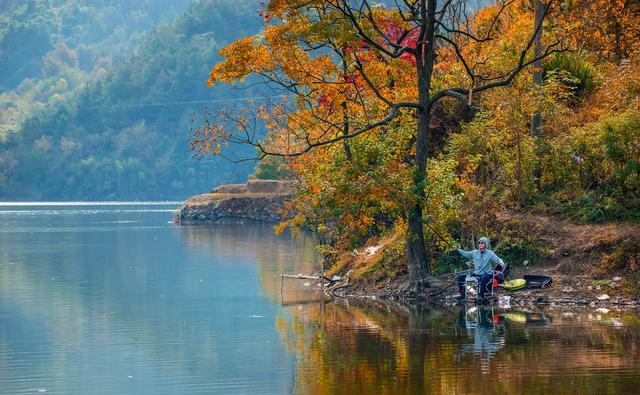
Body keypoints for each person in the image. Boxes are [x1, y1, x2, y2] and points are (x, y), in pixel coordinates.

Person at [451, 237, 505, 301]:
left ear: (485, 244)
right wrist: (457, 249)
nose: (480, 244)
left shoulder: (490, 253)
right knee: (461, 278)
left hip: (487, 275)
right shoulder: (474, 252)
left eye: (482, 243)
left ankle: (481, 296)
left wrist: (501, 263)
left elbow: (498, 259)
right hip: (476, 275)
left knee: (483, 277)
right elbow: (465, 254)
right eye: (479, 243)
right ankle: (462, 296)